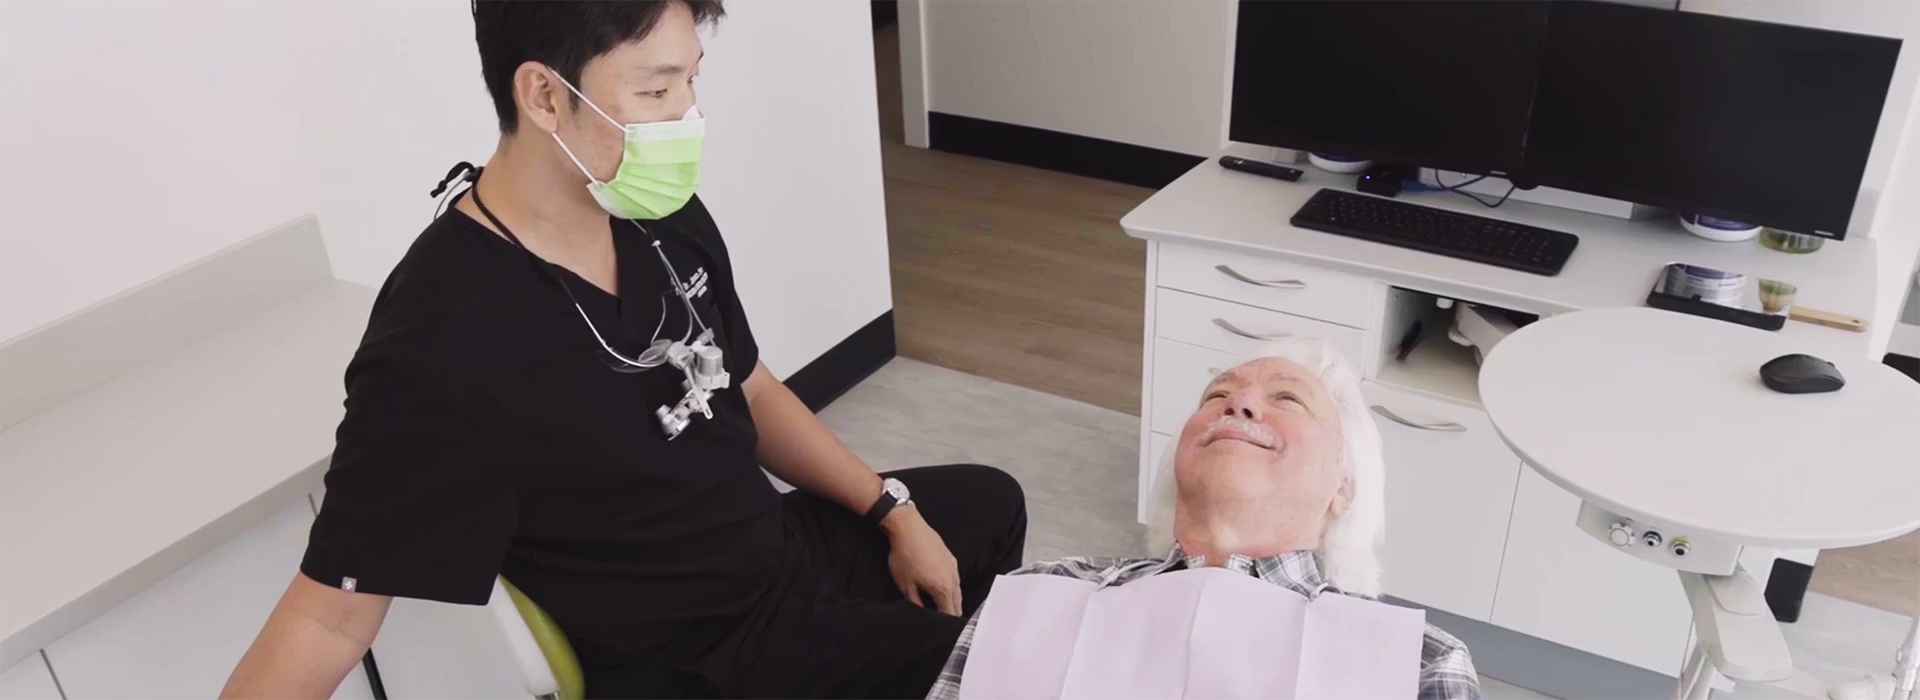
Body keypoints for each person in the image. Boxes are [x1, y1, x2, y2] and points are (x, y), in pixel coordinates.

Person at [219, 1, 1027, 698]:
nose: (687, 115)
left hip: (771, 555)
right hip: (699, 658)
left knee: (988, 507)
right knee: (1013, 674)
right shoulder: (440, 339)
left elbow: (750, 388)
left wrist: (892, 508)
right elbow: (328, 616)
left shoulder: (658, 213)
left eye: (690, 81)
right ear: (543, 94)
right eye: (655, 89)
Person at [925, 338, 1481, 700]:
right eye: (1217, 394)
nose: (1237, 405)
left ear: (1344, 486)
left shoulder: (1418, 667)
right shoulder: (1042, 593)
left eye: (1288, 398)